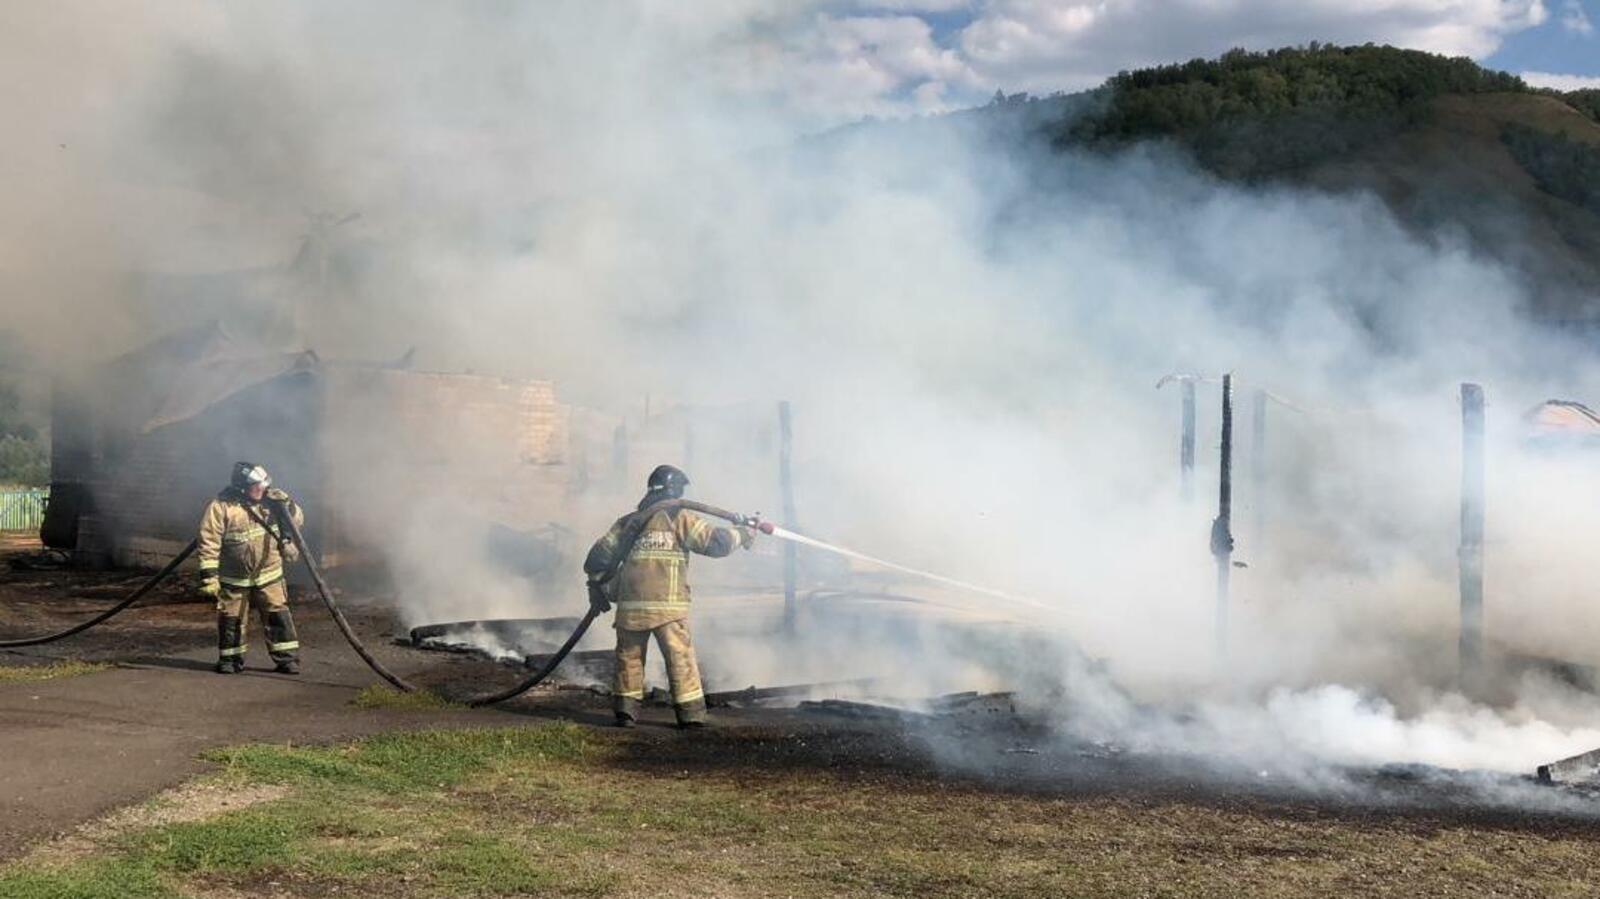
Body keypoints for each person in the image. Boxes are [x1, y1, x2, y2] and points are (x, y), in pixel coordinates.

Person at [584, 464, 755, 727]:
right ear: (675, 491)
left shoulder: (628, 522)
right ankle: (691, 716)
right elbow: (715, 543)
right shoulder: (680, 518)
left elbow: (596, 559)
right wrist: (743, 533)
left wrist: (598, 588)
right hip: (668, 609)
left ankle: (626, 713)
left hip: (631, 608)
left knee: (629, 659)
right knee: (680, 658)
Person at [196, 462, 304, 675]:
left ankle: (287, 660)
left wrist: (288, 506)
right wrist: (209, 577)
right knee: (231, 620)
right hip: (234, 577)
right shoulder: (221, 507)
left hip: (269, 573)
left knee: (278, 616)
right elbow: (208, 542)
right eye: (256, 485)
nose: (262, 488)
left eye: (264, 483)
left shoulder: (273, 501)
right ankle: (230, 660)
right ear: (242, 487)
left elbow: (298, 520)